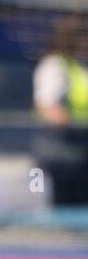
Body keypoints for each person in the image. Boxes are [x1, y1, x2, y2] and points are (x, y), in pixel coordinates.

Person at [32, 13, 88, 206]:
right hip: (68, 152)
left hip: (82, 151)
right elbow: (47, 106)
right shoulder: (56, 65)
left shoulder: (80, 66)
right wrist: (74, 126)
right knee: (69, 208)